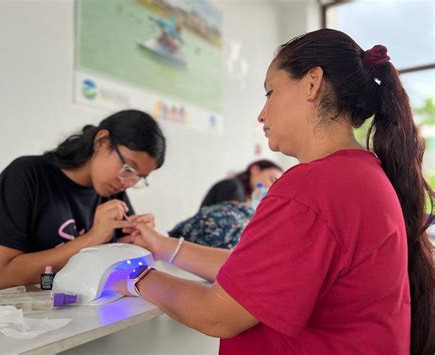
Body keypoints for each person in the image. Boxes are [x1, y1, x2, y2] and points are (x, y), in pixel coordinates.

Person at [116, 29, 434, 354]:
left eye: (269, 92)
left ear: (312, 83)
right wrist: (160, 246)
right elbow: (255, 272)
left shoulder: (313, 187)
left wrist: (129, 276)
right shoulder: (363, 173)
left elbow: (217, 315)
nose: (262, 114)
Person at [0, 109, 166, 291]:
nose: (129, 182)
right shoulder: (26, 176)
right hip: (29, 320)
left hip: (90, 317)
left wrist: (137, 243)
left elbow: (117, 260)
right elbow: (2, 278)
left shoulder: (113, 190)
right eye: (129, 168)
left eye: (139, 177)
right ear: (101, 142)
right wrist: (91, 239)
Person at [200, 160, 283, 208]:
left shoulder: (248, 199)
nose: (271, 188)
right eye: (271, 180)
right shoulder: (233, 186)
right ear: (255, 170)